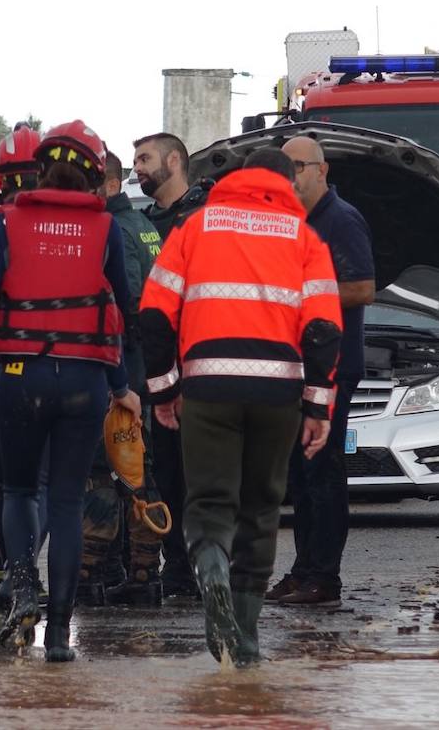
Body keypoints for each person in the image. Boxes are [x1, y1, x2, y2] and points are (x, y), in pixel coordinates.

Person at [0, 120, 141, 662]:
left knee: (18, 490)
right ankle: (57, 636)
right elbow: (121, 310)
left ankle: (22, 583)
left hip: (16, 377)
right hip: (84, 380)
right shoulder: (105, 231)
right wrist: (123, 387)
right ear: (95, 177)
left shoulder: (8, 222)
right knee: (68, 500)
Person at [139, 149, 343, 666]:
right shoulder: (305, 238)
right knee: (260, 509)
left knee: (209, 501)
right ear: (283, 184)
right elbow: (323, 332)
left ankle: (210, 572)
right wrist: (318, 407)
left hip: (208, 387)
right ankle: (245, 640)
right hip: (279, 392)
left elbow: (155, 319)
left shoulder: (194, 227)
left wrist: (164, 391)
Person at [268, 137, 376, 606]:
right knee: (299, 474)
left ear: (321, 170)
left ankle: (324, 577)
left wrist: (302, 298)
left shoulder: (341, 220)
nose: (291, 175)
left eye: (299, 166)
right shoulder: (290, 222)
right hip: (293, 364)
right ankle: (302, 569)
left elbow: (362, 289)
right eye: (285, 167)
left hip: (331, 366)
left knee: (322, 470)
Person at [81, 149, 166, 606]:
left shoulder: (111, 227)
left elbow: (123, 299)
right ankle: (142, 571)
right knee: (139, 465)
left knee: (103, 468)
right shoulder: (145, 224)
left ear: (108, 185)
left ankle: (92, 573)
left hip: (119, 364)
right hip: (145, 362)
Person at [131, 131, 211, 599]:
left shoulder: (200, 218)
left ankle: (208, 566)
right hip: (155, 366)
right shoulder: (146, 221)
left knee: (200, 472)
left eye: (145, 158)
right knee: (165, 471)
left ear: (175, 161)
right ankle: (176, 567)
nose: (137, 168)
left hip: (198, 367)